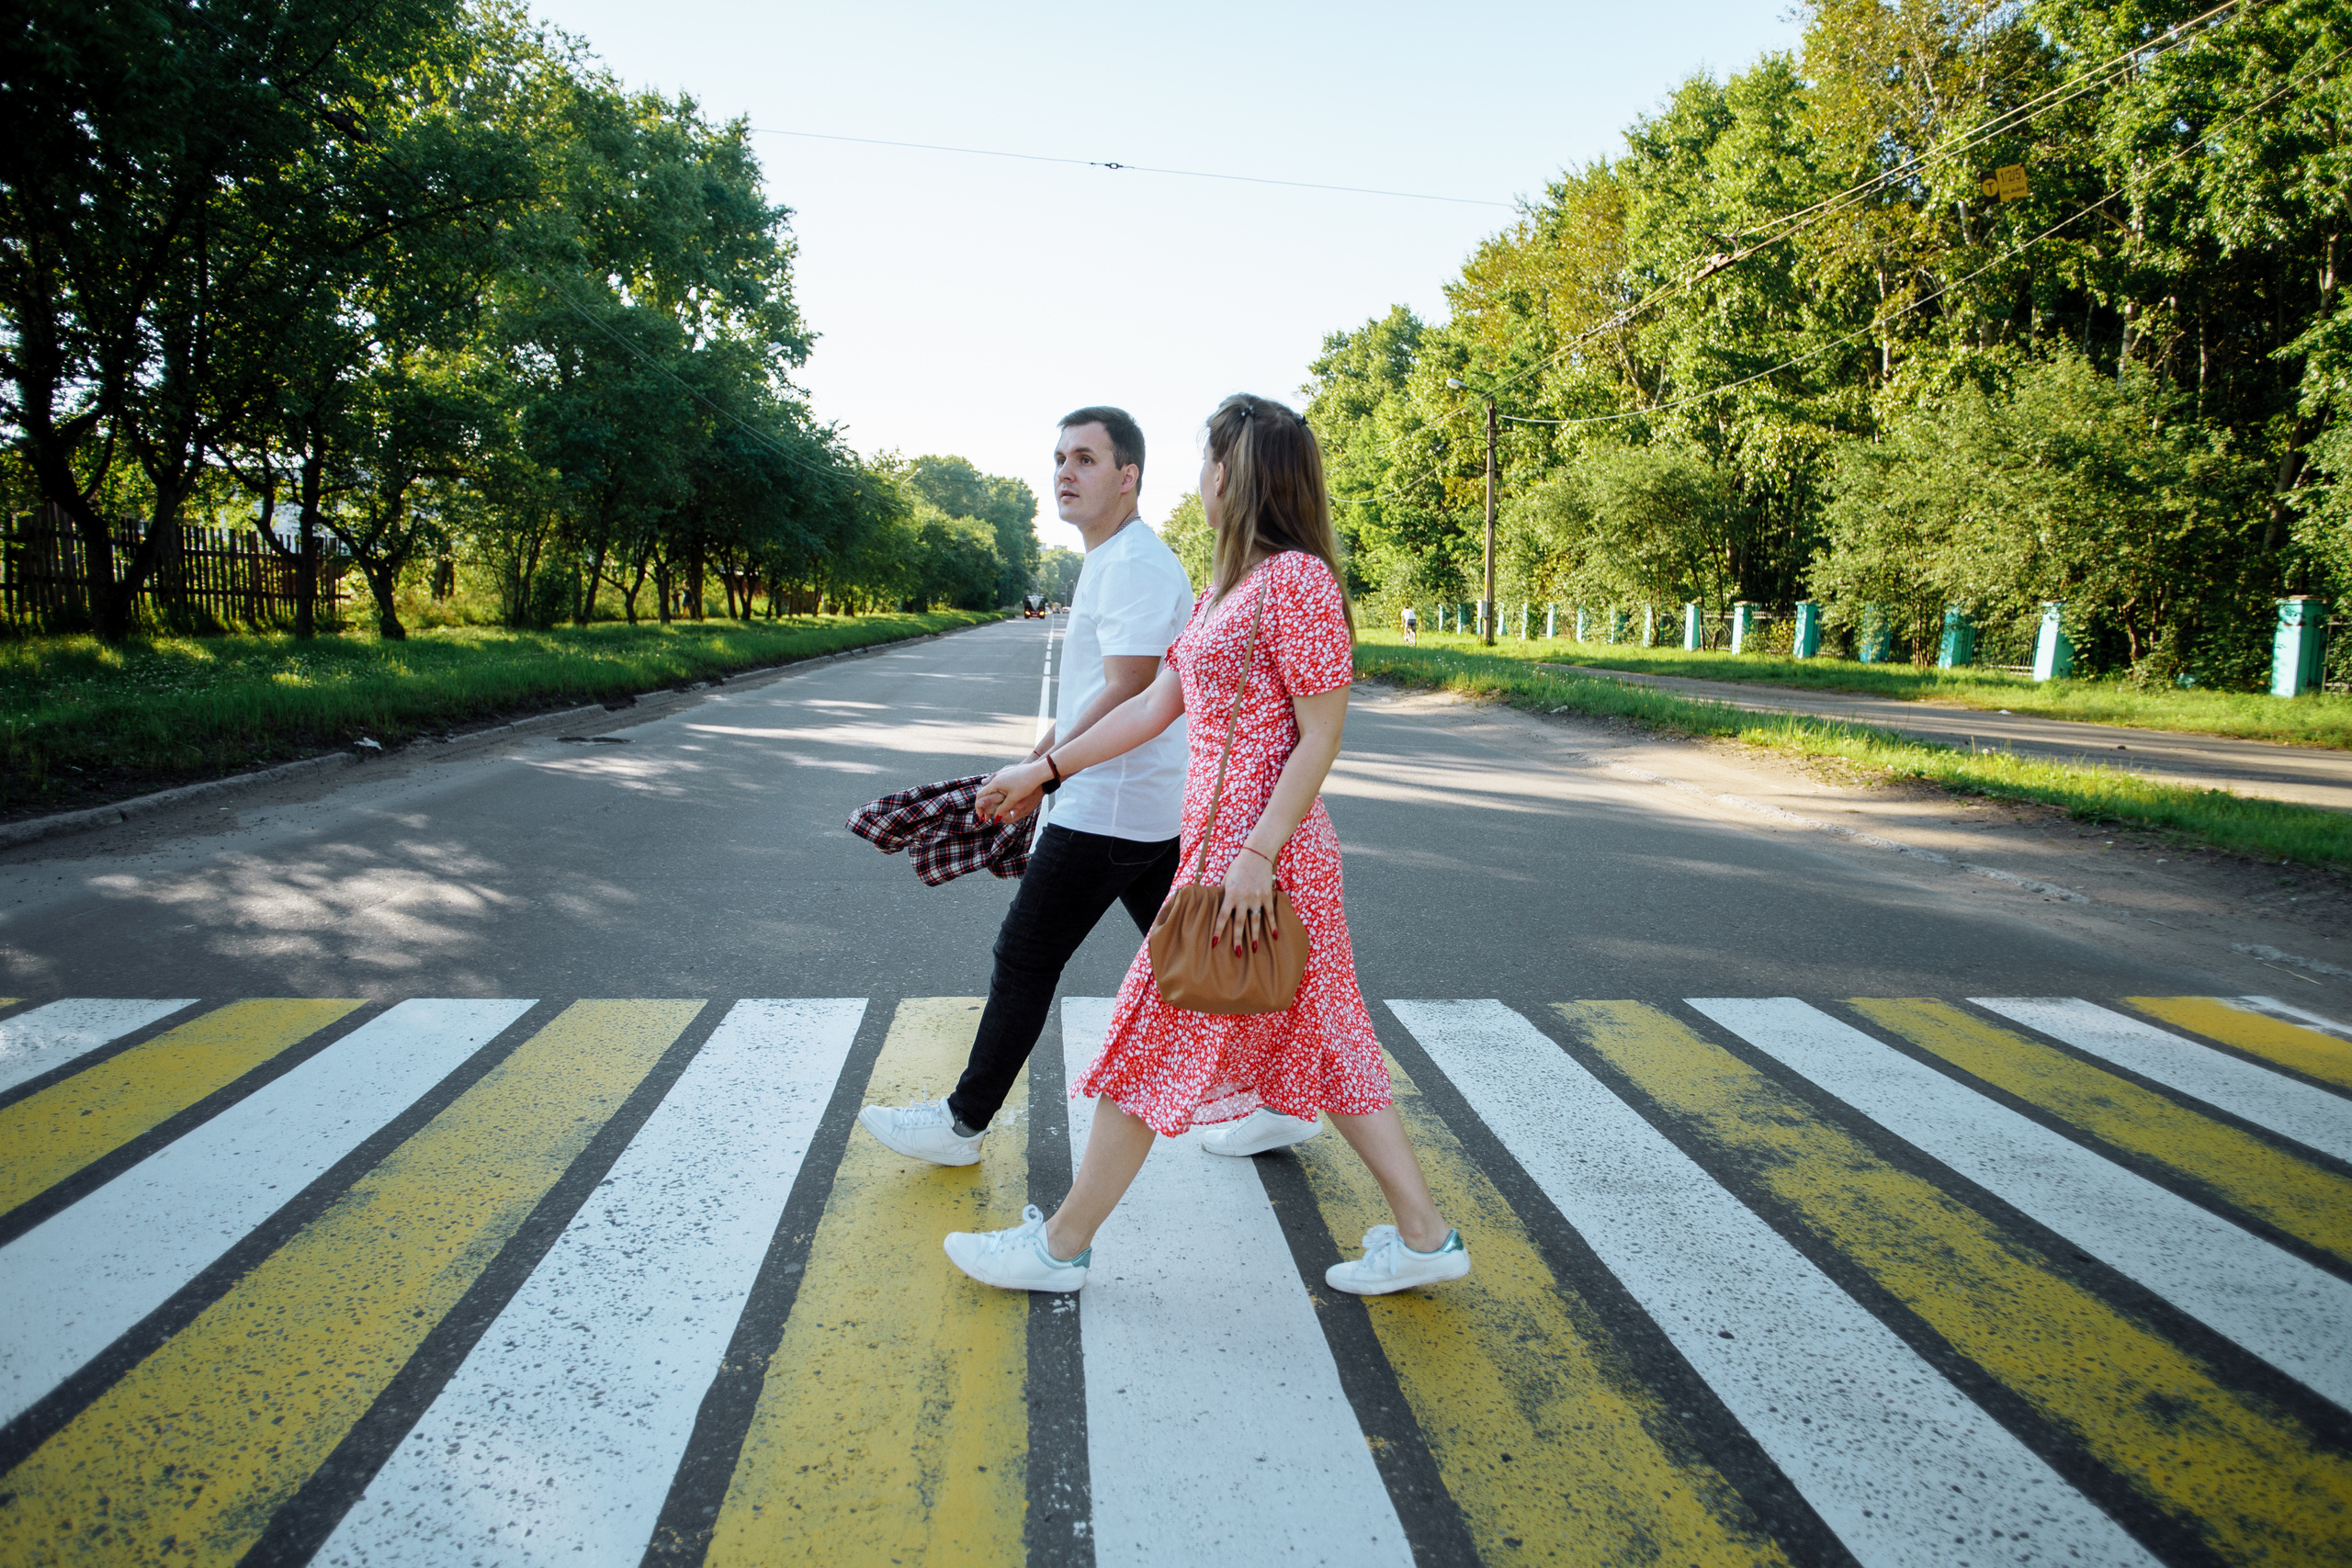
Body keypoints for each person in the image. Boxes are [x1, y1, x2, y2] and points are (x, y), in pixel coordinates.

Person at [947, 393, 1469, 1298]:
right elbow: (1155, 706)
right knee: (1335, 1045)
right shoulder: (1229, 586)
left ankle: (1060, 1247)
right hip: (1225, 862)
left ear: (1243, 474)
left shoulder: (1296, 582)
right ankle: (1423, 1237)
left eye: (1209, 462)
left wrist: (1259, 855)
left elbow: (1320, 734)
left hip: (1259, 869)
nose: (1200, 478)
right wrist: (1047, 771)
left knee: (1145, 1041)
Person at [858, 407, 1210, 1165]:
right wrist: (1032, 767)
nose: (1064, 472)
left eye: (1085, 459)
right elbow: (1095, 696)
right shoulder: (1113, 558)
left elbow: (1131, 691)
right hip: (1131, 801)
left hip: (1113, 806)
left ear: (1128, 477)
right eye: (1059, 458)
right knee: (1193, 964)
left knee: (1025, 956)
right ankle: (1279, 1101)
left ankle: (962, 1123)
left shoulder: (1136, 563)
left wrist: (1045, 772)